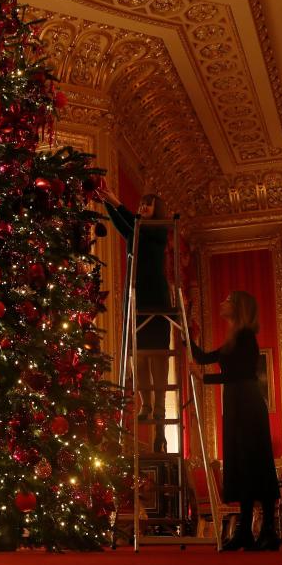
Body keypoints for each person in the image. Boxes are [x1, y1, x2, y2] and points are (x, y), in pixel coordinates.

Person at [190, 291, 280, 551]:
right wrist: (188, 336)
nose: (222, 302)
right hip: (236, 405)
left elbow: (239, 374)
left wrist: (203, 378)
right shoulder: (233, 340)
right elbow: (205, 358)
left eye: (227, 300)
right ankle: (246, 532)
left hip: (248, 405)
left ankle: (268, 530)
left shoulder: (245, 337)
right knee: (241, 463)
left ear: (238, 308)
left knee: (255, 462)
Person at [97, 187, 171, 452]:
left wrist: (117, 200)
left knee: (158, 357)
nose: (142, 209)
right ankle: (146, 403)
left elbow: (136, 224)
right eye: (141, 204)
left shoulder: (159, 229)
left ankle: (160, 411)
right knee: (138, 356)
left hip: (156, 300)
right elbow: (124, 225)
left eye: (147, 205)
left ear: (157, 211)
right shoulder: (137, 230)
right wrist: (107, 204)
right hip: (136, 298)